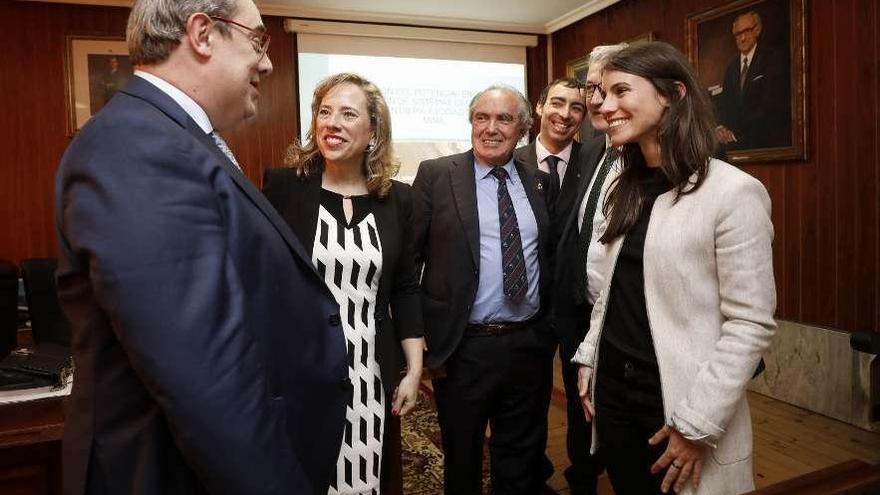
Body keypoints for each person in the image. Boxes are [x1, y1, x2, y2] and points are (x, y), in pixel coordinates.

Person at [54, 1, 349, 493]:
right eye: (257, 40)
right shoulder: (139, 145)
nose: (268, 62)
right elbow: (206, 380)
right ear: (202, 33)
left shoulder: (177, 138)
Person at [573, 41, 776, 495]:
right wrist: (590, 356)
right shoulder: (622, 188)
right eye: (602, 94)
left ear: (673, 94)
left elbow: (751, 324)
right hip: (615, 396)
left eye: (620, 91)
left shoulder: (733, 193)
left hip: (681, 403)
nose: (604, 106)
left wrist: (696, 424)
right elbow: (612, 288)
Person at [262, 73, 425, 495]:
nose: (331, 122)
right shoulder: (284, 188)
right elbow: (264, 283)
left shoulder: (399, 199)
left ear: (373, 132)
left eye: (348, 114)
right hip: (304, 372)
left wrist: (414, 370)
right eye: (324, 112)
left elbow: (405, 288)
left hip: (372, 370)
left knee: (367, 475)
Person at [412, 85, 555, 495]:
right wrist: (419, 336)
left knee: (520, 458)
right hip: (463, 348)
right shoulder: (437, 175)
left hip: (527, 344)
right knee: (463, 457)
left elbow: (548, 256)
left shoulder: (539, 182)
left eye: (504, 119)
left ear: (524, 128)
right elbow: (411, 261)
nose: (491, 128)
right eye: (482, 118)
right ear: (472, 122)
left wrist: (546, 334)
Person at [539, 44, 629, 495]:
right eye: (592, 87)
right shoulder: (593, 149)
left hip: (625, 319)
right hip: (577, 311)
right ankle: (583, 478)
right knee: (581, 407)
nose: (596, 99)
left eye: (610, 88)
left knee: (619, 416)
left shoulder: (652, 153)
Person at [714, 10, 790, 150]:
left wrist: (737, 135)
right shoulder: (731, 68)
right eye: (737, 34)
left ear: (757, 30)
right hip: (734, 147)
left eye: (746, 31)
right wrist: (721, 128)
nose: (742, 38)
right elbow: (725, 105)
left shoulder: (773, 60)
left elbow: (771, 106)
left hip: (765, 144)